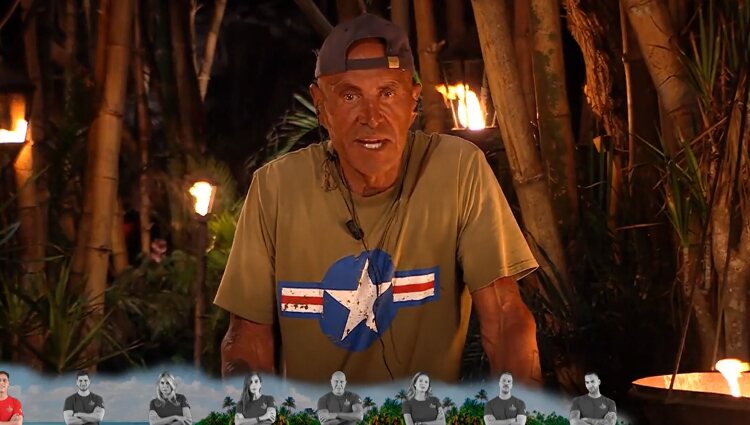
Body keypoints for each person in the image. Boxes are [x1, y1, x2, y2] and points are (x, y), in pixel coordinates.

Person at [215, 12, 540, 384]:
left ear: (413, 101)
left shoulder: (457, 170)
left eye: (387, 93)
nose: (371, 117)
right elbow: (247, 338)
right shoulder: (276, 188)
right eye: (350, 95)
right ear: (321, 105)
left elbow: (505, 319)